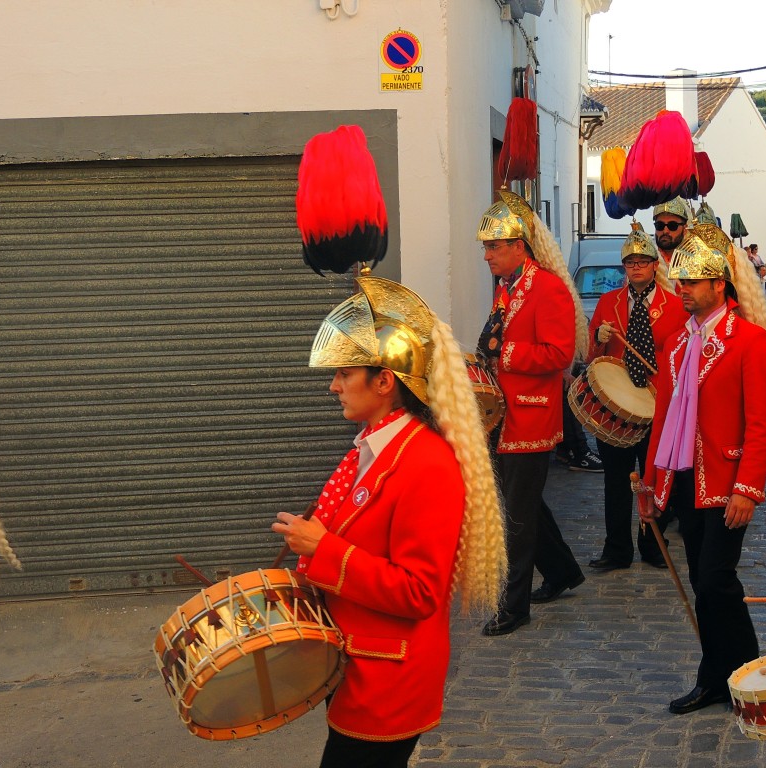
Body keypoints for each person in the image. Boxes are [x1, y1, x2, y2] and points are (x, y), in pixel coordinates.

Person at [271, 275, 506, 767]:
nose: (333, 385)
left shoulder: (426, 463)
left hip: (388, 678)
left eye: (345, 374)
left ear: (384, 381)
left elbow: (420, 591)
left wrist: (323, 548)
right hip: (358, 665)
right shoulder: (377, 447)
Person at [637, 222, 766, 715]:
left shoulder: (750, 341)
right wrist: (654, 484)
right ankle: (726, 675)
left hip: (725, 484)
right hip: (683, 482)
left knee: (717, 580)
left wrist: (748, 489)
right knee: (704, 580)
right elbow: (663, 417)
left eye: (692, 283)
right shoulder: (677, 343)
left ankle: (739, 671)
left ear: (720, 284)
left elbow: (762, 424)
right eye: (679, 283)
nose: (682, 290)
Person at [475, 189, 589, 635]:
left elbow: (560, 354)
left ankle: (514, 605)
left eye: (493, 247)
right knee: (524, 504)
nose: (486, 256)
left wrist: (507, 352)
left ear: (518, 246)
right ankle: (562, 572)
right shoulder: (509, 288)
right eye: (485, 247)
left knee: (515, 518)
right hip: (504, 416)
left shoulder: (548, 288)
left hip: (531, 418)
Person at [585, 222, 687, 572]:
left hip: (656, 404)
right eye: (631, 262)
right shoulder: (607, 302)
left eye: (643, 261)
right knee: (615, 480)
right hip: (617, 407)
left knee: (653, 479)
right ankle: (617, 549)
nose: (637, 267)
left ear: (655, 265)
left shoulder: (675, 306)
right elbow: (592, 355)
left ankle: (653, 544)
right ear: (624, 267)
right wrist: (598, 335)